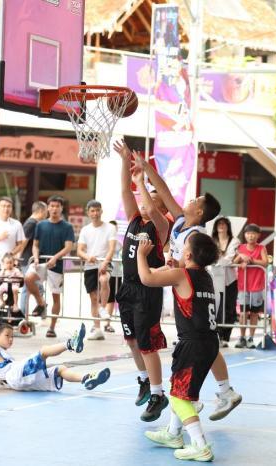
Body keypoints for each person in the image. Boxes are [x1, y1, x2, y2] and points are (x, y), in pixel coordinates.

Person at [133, 147, 243, 422]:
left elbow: (188, 262)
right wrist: (146, 169)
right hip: (186, 282)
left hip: (194, 286)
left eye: (195, 199)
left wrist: (170, 265)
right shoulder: (182, 221)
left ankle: (212, 394)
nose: (189, 199)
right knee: (204, 338)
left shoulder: (196, 234)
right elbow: (164, 190)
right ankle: (221, 392)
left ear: (200, 210)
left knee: (200, 337)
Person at [137, 233, 220, 461]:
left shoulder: (182, 275)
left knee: (179, 398)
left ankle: (200, 445)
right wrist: (173, 266)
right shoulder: (205, 276)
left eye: (184, 247)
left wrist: (141, 255)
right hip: (209, 342)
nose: (180, 250)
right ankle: (174, 433)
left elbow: (146, 278)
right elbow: (178, 278)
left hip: (192, 344)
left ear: (189, 254)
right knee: (179, 388)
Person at [113, 140, 170, 422]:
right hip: (128, 288)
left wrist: (143, 183)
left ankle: (159, 393)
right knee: (132, 340)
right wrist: (125, 161)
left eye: (152, 200)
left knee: (147, 344)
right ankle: (145, 381)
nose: (146, 202)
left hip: (148, 289)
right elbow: (126, 191)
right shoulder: (135, 219)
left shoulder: (161, 226)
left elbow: (150, 205)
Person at [0, 322, 110, 393]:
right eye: (7, 335)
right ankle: (70, 344)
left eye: (12, 336)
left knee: (59, 370)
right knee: (43, 351)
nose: (11, 339)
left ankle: (87, 379)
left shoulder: (5, 355)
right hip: (15, 376)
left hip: (19, 381)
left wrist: (2, 381)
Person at [24, 195, 75, 338]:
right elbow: (35, 244)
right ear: (48, 208)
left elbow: (68, 246)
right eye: (52, 206)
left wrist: (55, 257)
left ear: (61, 208)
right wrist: (35, 256)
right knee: (28, 278)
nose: (54, 209)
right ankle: (41, 303)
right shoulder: (41, 225)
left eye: (57, 206)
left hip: (57, 265)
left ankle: (52, 327)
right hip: (40, 263)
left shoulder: (67, 227)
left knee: (56, 297)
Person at [77, 199, 117, 341]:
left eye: (97, 210)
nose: (95, 213)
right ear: (88, 213)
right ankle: (97, 328)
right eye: (92, 211)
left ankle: (103, 308)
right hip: (90, 266)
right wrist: (88, 257)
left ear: (101, 211)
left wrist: (105, 262)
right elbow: (80, 250)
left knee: (104, 280)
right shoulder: (85, 230)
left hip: (105, 263)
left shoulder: (110, 228)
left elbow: (112, 248)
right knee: (93, 298)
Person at [234, 224, 268, 349]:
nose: (251, 236)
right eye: (248, 233)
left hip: (257, 285)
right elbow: (233, 262)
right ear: (245, 235)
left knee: (254, 313)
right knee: (243, 313)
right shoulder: (240, 248)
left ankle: (251, 338)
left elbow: (265, 262)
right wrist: (241, 258)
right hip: (243, 286)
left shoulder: (261, 248)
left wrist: (251, 260)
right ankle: (242, 337)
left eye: (253, 233)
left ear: (258, 235)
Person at [210, 217, 240, 348]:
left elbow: (230, 258)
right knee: (215, 307)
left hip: (229, 280)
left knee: (229, 308)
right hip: (214, 279)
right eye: (219, 224)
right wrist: (219, 261)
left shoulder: (235, 241)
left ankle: (226, 336)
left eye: (224, 224)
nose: (221, 226)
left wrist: (218, 261)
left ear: (228, 226)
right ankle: (216, 335)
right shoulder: (211, 240)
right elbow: (209, 256)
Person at [0, 197, 25, 296]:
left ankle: (10, 306)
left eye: (8, 206)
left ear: (11, 208)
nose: (6, 209)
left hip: (9, 265)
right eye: (3, 206)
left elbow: (20, 244)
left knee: (11, 293)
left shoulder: (17, 224)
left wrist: (11, 253)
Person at [18, 201, 48, 313]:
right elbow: (23, 242)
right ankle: (23, 314)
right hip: (28, 260)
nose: (46, 214)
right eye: (46, 211)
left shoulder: (34, 223)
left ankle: (42, 311)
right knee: (27, 289)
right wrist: (18, 258)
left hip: (31, 260)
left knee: (38, 287)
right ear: (40, 211)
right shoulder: (31, 223)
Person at [102, 219, 121, 333]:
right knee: (104, 299)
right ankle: (99, 323)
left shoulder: (119, 243)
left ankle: (107, 323)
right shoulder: (104, 242)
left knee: (112, 300)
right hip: (107, 272)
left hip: (117, 273)